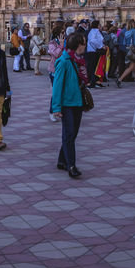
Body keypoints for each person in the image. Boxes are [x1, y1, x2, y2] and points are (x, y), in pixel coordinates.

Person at [51, 32, 87, 178]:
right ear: (78, 44)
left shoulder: (80, 60)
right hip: (67, 103)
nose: (85, 45)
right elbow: (57, 86)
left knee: (73, 134)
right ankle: (71, 165)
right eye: (84, 43)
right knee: (69, 133)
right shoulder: (64, 61)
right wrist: (56, 107)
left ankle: (61, 160)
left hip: (77, 101)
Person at [116, 20, 135, 87]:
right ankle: (120, 79)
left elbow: (124, 43)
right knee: (132, 67)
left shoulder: (126, 32)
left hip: (128, 51)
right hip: (134, 51)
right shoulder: (134, 31)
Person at [85, 19, 105, 88]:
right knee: (93, 67)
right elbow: (93, 40)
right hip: (93, 51)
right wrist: (100, 46)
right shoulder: (94, 31)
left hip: (93, 51)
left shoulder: (95, 31)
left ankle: (96, 81)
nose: (101, 26)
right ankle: (92, 82)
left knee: (95, 67)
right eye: (100, 25)